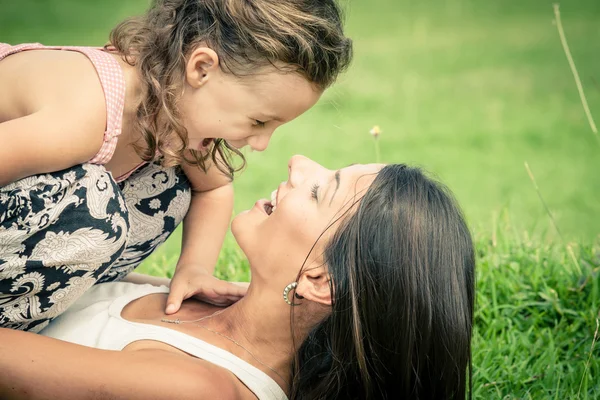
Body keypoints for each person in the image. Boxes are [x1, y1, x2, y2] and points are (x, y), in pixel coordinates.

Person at [0, 0, 352, 331]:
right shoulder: (86, 115)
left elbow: (213, 187)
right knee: (94, 208)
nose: (261, 144)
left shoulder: (174, 112)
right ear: (201, 69)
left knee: (168, 186)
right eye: (259, 122)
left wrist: (195, 268)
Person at [0, 156, 476, 399]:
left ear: (320, 281)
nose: (298, 163)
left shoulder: (202, 390)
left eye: (318, 190)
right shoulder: (221, 305)